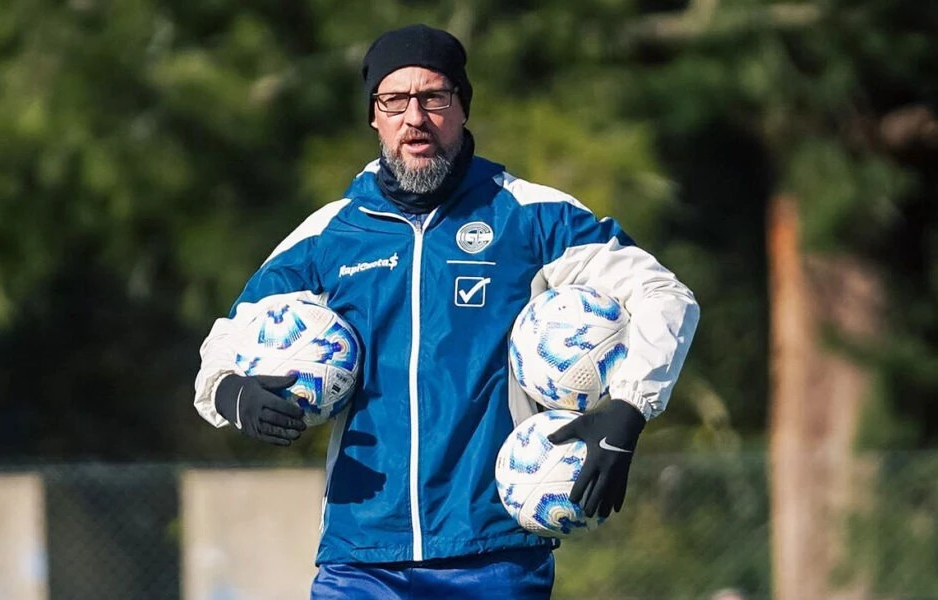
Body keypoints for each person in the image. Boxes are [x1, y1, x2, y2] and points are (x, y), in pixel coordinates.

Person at [193, 24, 700, 599]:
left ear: (462, 108)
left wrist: (630, 407)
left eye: (434, 97)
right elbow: (223, 346)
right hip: (360, 554)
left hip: (494, 551)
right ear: (374, 116)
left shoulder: (531, 217)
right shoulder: (329, 236)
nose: (416, 116)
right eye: (395, 100)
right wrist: (233, 393)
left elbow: (665, 295)